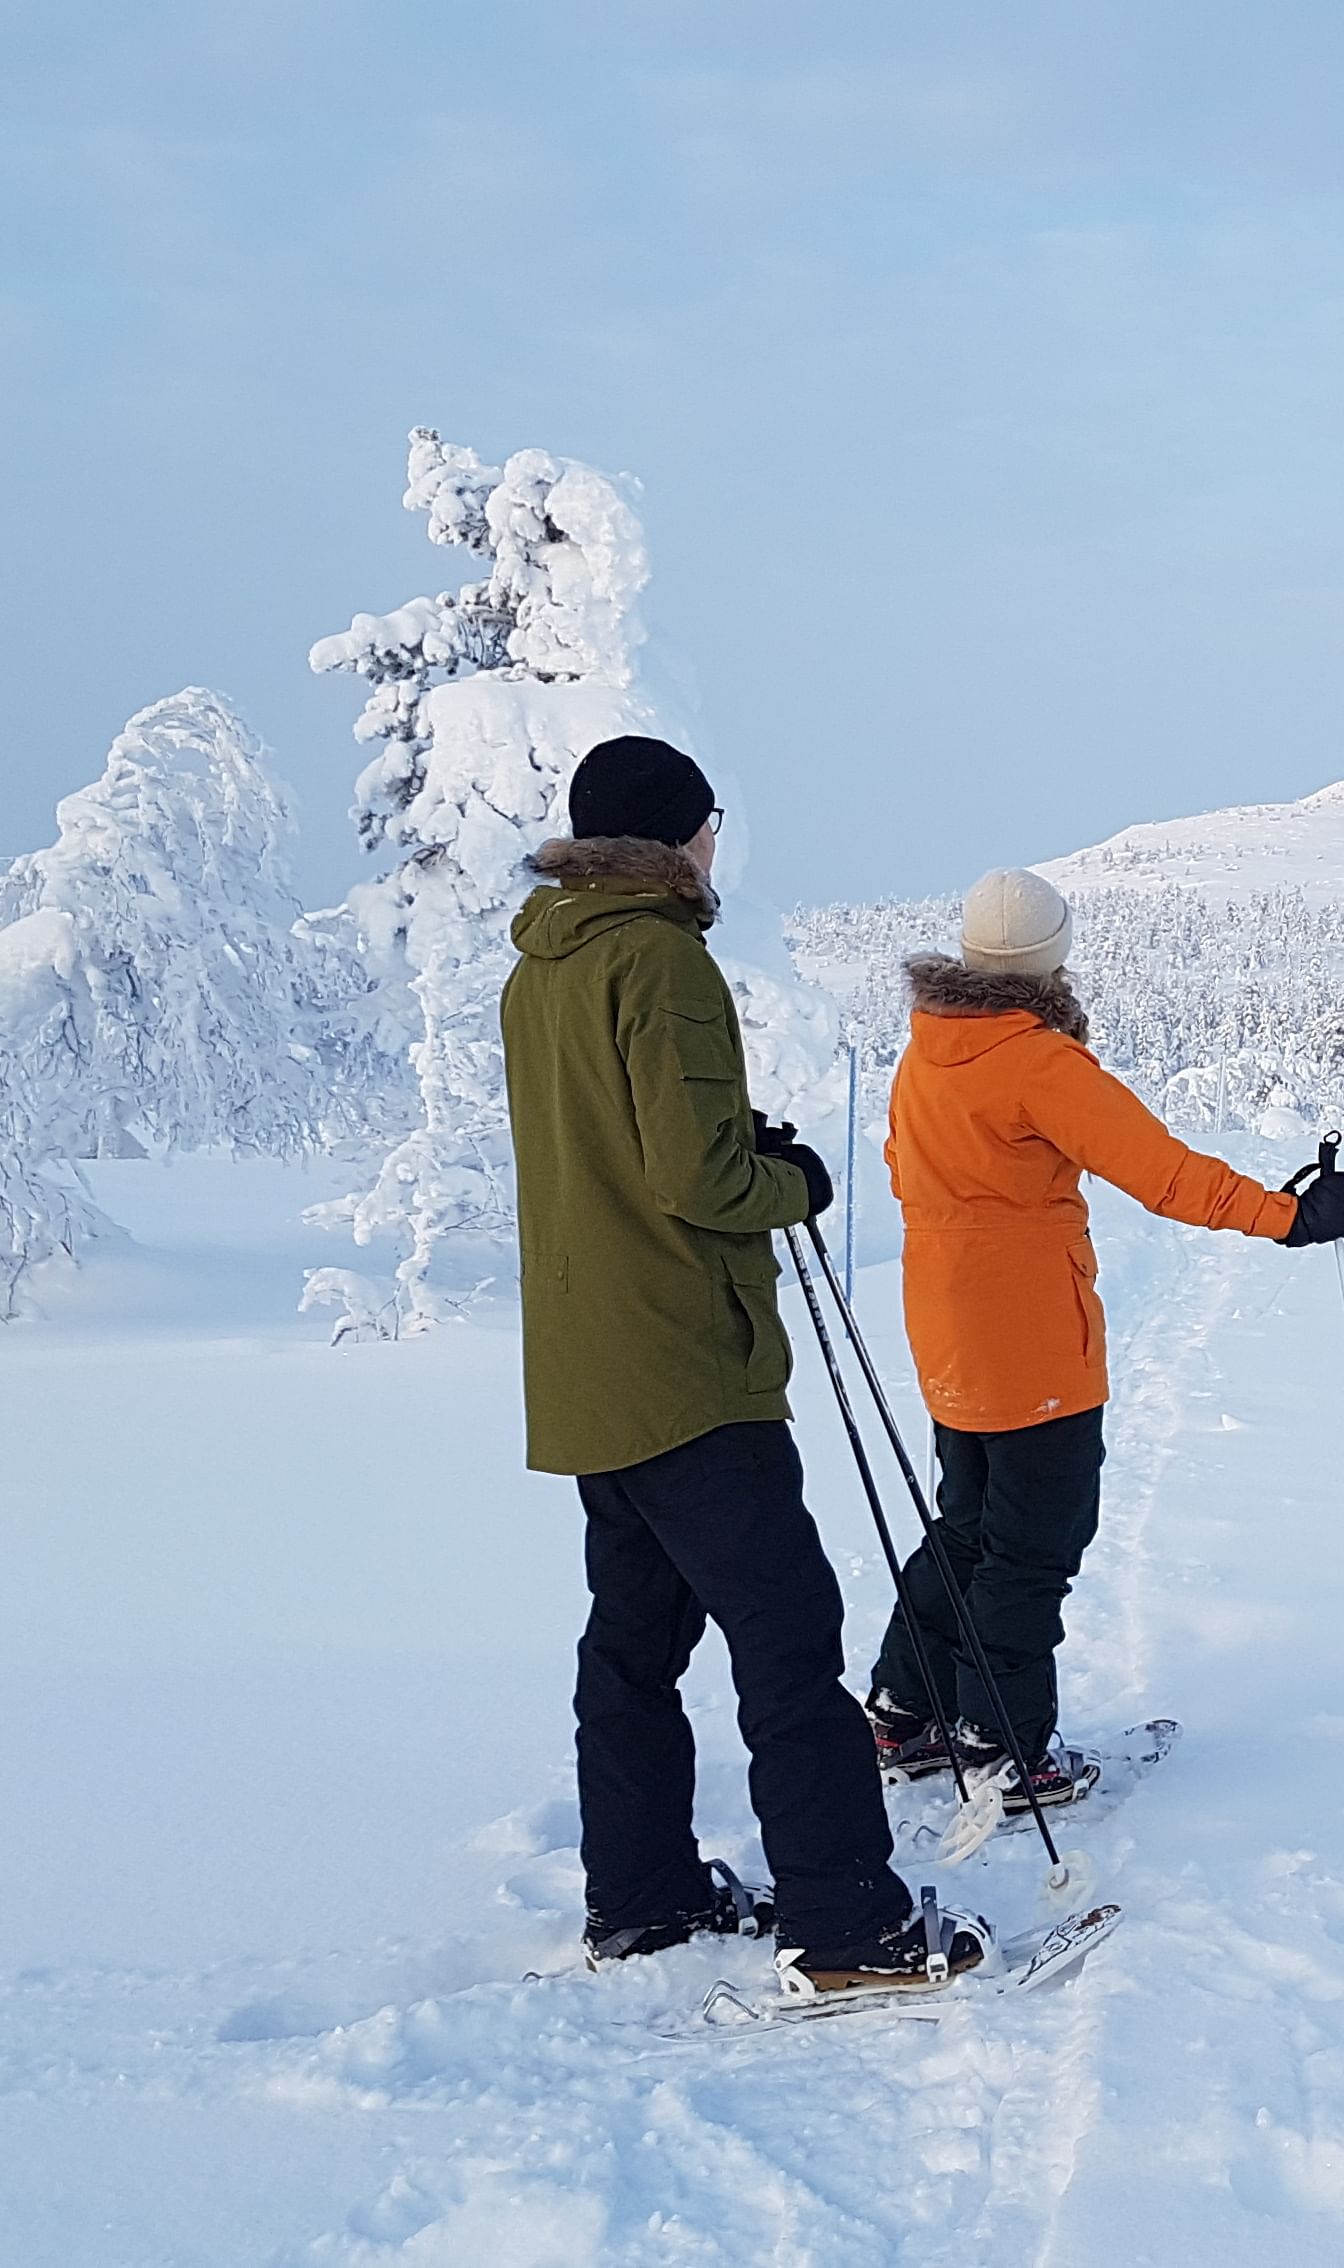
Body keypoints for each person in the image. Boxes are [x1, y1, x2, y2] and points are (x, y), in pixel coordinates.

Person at [504, 734, 985, 1998]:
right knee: (785, 1639)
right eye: (710, 820)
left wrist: (729, 1140)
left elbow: (623, 1144)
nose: (718, 839)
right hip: (685, 1362)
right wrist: (789, 1177)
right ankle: (848, 1928)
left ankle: (645, 1897)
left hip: (588, 1364)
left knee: (633, 1642)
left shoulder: (547, 962)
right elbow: (695, 1177)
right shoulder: (661, 961)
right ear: (676, 835)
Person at [868, 866, 1344, 1804]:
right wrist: (1289, 1218)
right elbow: (1162, 1172)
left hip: (944, 1327)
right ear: (1051, 958)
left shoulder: (926, 1050)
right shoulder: (1035, 1062)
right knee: (1032, 1541)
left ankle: (906, 1708)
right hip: (1033, 1341)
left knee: (969, 1523)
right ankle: (1001, 1741)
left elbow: (903, 1166)